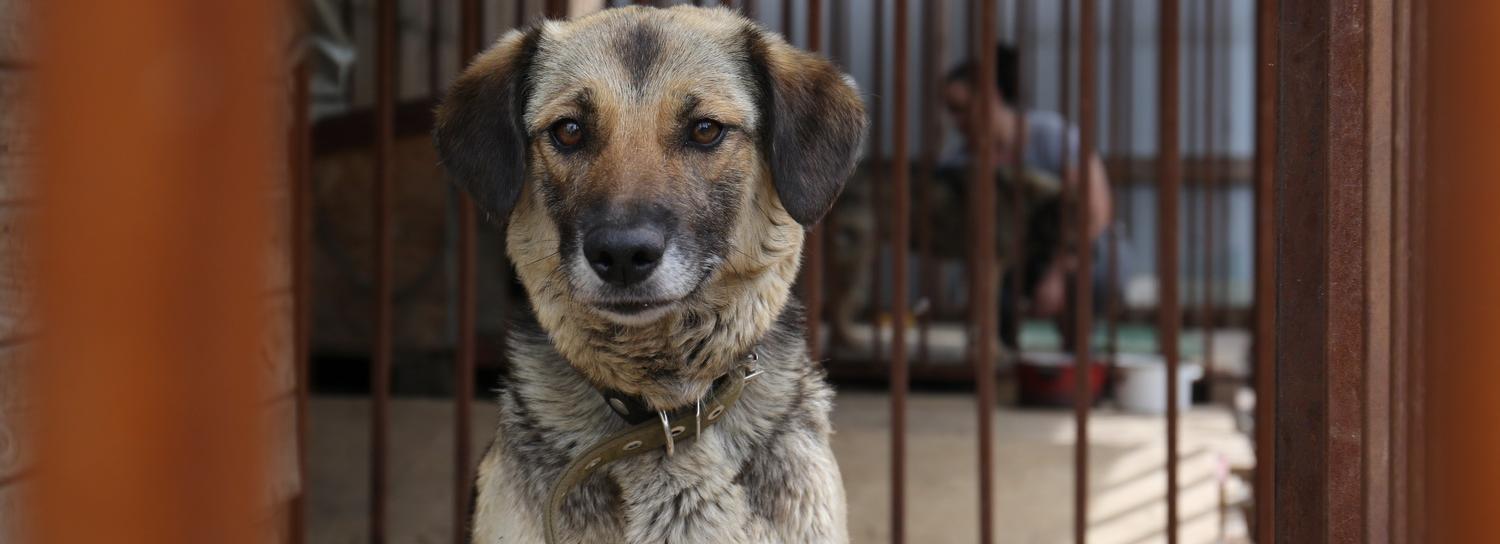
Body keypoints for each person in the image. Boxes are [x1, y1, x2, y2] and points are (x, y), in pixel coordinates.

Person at [942, 44, 1125, 350]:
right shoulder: (960, 163)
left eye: (961, 108)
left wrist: (1057, 272)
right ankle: (1000, 361)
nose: (956, 121)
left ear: (991, 97)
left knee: (1100, 266)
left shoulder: (1052, 135)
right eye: (950, 111)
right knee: (986, 279)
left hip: (1072, 248)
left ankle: (1076, 352)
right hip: (1014, 255)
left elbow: (1096, 210)